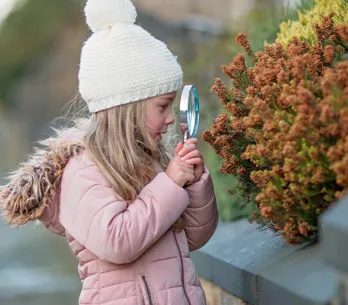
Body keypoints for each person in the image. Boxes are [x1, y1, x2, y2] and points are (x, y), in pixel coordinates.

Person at [0, 0, 219, 304]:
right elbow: (117, 242)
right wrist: (169, 185)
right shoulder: (83, 170)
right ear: (127, 109)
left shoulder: (153, 163)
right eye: (162, 106)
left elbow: (193, 238)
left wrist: (194, 185)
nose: (170, 118)